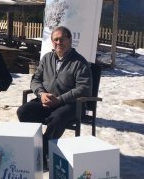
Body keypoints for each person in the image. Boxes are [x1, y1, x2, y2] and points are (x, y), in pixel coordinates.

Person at [16, 26, 92, 169]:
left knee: (57, 117)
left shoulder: (79, 62)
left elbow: (84, 88)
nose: (59, 42)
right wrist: (41, 94)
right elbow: (35, 79)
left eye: (62, 39)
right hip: (46, 100)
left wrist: (60, 99)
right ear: (52, 42)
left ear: (70, 40)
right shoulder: (47, 58)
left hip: (71, 104)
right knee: (23, 111)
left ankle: (42, 149)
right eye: (55, 39)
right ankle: (38, 145)